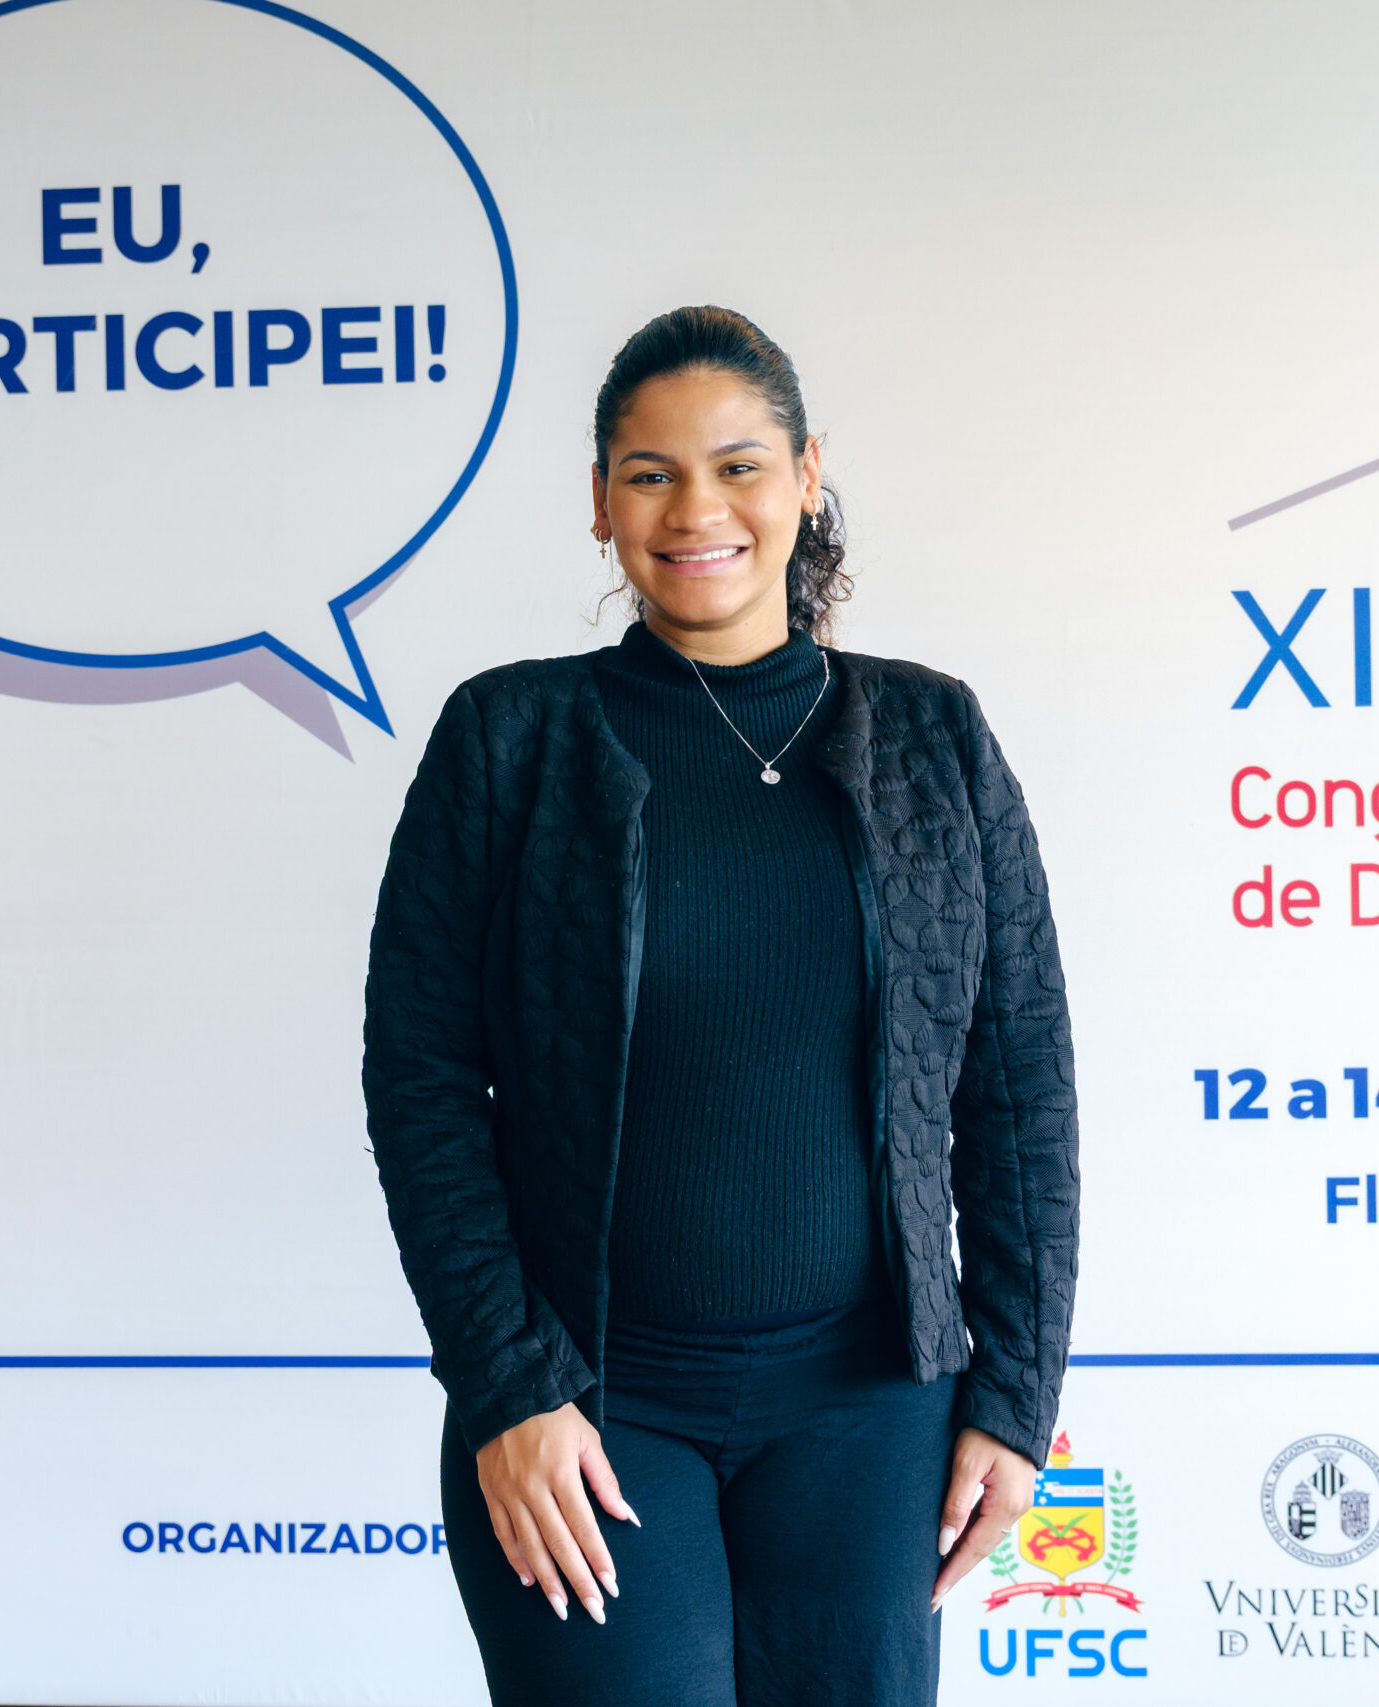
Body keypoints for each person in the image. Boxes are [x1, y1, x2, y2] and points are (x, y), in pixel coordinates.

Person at [363, 305, 1079, 1705]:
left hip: (870, 1415)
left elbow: (1019, 1086)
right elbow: (423, 1082)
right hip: (585, 1410)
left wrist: (1013, 1396)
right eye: (652, 474)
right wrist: (508, 1387)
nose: (697, 510)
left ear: (806, 477)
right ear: (600, 502)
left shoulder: (933, 736)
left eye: (740, 466)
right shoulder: (509, 741)